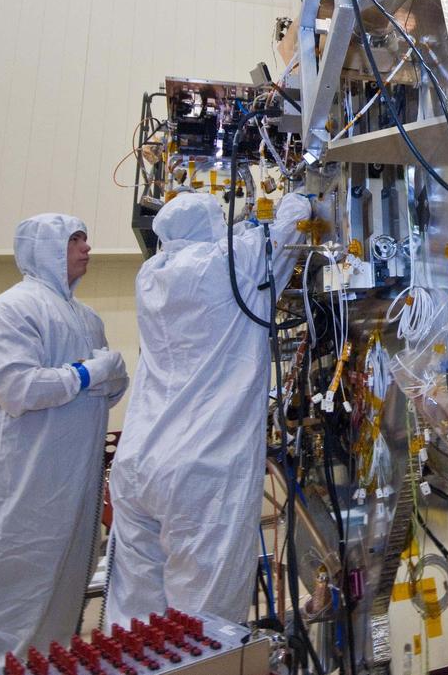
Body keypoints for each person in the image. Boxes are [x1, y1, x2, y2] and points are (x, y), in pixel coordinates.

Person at [0, 214, 130, 675]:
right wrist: (89, 373)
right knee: (6, 600)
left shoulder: (87, 318)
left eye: (85, 238)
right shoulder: (9, 310)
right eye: (74, 240)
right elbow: (18, 389)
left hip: (73, 485)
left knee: (61, 598)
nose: (87, 248)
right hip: (22, 488)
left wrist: (101, 374)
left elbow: (114, 386)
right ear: (43, 249)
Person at [105, 190, 310, 627]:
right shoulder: (230, 265)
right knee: (202, 627)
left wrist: (236, 229)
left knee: (134, 623)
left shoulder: (151, 275)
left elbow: (221, 244)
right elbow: (293, 221)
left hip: (138, 464)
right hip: (201, 471)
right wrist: (300, 193)